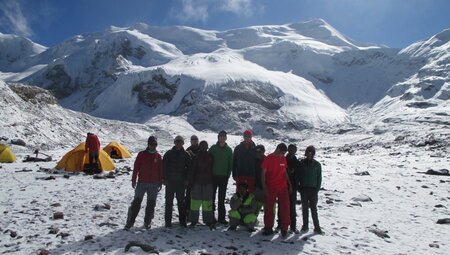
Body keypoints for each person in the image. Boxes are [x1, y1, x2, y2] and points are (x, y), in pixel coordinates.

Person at [125, 136, 163, 230]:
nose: (153, 146)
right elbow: (136, 167)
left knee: (151, 204)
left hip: (154, 184)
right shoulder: (141, 154)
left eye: (155, 144)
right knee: (136, 202)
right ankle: (130, 222)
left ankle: (147, 222)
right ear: (148, 144)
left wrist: (160, 181)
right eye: (151, 144)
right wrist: (134, 179)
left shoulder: (158, 156)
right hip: (142, 182)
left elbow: (160, 170)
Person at [261, 143, 292, 237]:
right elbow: (263, 174)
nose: (283, 155)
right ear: (278, 149)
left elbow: (285, 172)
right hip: (271, 187)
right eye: (282, 152)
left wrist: (289, 184)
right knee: (269, 208)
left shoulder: (283, 158)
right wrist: (264, 188)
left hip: (282, 187)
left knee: (285, 208)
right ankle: (268, 227)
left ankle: (284, 228)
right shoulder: (268, 159)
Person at [163, 135, 191, 227]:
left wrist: (187, 179)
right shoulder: (169, 154)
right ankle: (168, 221)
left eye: (180, 142)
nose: (178, 143)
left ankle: (182, 221)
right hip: (170, 182)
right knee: (168, 202)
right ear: (174, 142)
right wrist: (164, 179)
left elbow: (189, 168)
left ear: (182, 143)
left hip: (181, 182)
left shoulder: (186, 154)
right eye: (177, 141)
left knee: (181, 202)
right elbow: (164, 167)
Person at [296, 145, 323, 234]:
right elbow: (298, 176)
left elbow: (319, 178)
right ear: (306, 153)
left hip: (313, 190)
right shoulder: (301, 163)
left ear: (313, 154)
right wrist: (299, 187)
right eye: (308, 152)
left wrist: (317, 189)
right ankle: (305, 226)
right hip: (304, 189)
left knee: (313, 209)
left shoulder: (317, 165)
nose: (309, 154)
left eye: (311, 153)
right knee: (304, 209)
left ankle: (317, 227)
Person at [188, 140, 215, 229]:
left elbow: (213, 169)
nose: (204, 147)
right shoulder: (196, 157)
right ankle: (193, 220)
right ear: (200, 147)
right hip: (197, 182)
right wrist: (191, 182)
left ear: (207, 147)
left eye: (205, 146)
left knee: (207, 203)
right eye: (202, 146)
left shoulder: (210, 156)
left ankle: (208, 220)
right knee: (195, 202)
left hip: (208, 182)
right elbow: (192, 170)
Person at [208, 130, 233, 225]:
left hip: (223, 177)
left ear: (226, 138)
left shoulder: (229, 150)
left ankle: (221, 218)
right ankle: (211, 217)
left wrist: (228, 174)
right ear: (218, 137)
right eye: (221, 136)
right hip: (213, 176)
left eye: (224, 136)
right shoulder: (213, 149)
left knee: (221, 198)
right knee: (212, 197)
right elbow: (208, 161)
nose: (222, 138)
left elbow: (230, 164)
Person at [185, 135, 200, 222]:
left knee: (197, 197)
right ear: (191, 141)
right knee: (188, 196)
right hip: (190, 177)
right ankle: (187, 213)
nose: (194, 141)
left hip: (199, 176)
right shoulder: (187, 150)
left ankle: (195, 214)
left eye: (195, 139)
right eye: (193, 139)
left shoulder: (201, 149)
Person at [285, 144, 300, 233]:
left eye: (293, 150)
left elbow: (299, 175)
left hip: (293, 187)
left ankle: (293, 225)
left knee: (292, 207)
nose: (291, 152)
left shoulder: (297, 162)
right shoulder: (283, 160)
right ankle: (281, 224)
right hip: (283, 186)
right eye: (290, 150)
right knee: (282, 207)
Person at [253, 144, 266, 214]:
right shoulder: (255, 161)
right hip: (257, 188)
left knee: (268, 209)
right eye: (256, 152)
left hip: (266, 188)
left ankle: (269, 224)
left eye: (260, 151)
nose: (258, 153)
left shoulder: (267, 160)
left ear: (263, 151)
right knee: (256, 208)